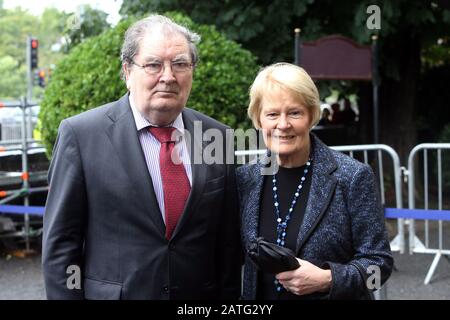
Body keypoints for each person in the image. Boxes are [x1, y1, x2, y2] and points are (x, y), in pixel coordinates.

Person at [42, 15, 241, 300]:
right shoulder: (82, 135)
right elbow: (61, 247)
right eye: (153, 64)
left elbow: (228, 247)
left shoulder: (217, 136)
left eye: (181, 64)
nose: (168, 76)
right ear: (127, 71)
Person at [237, 63, 393, 300]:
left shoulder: (352, 176)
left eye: (294, 113)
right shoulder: (245, 179)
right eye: (272, 114)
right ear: (258, 120)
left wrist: (328, 279)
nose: (283, 124)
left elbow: (378, 265)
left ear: (312, 115)